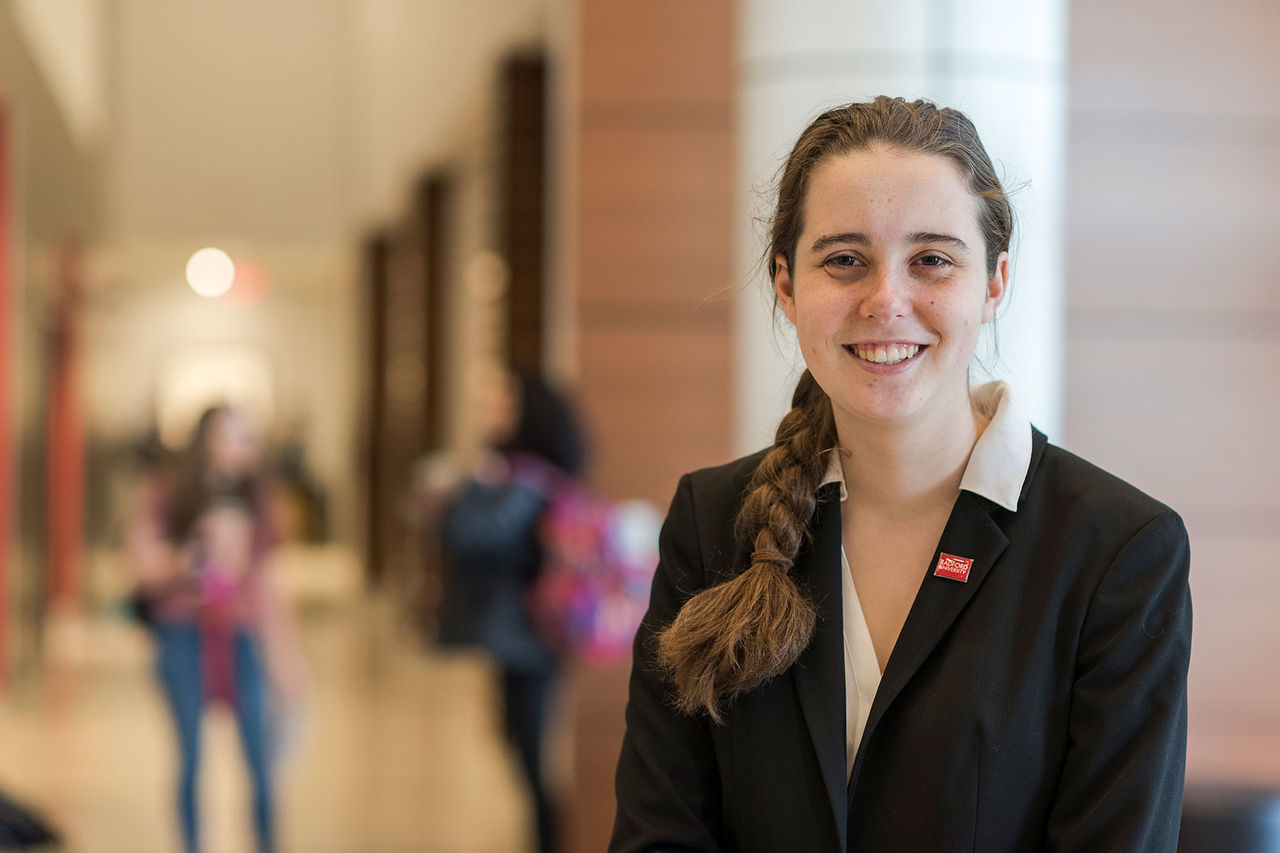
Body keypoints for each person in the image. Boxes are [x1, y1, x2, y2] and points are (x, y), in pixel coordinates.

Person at [610, 97, 1192, 852]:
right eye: (845, 259)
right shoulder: (711, 521)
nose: (886, 300)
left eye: (932, 260)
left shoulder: (1117, 552)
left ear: (994, 283)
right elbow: (661, 833)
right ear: (786, 286)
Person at [126, 405, 304, 853]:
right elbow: (141, 567)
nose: (245, 448)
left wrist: (286, 654)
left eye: (249, 438)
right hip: (182, 632)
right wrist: (189, 556)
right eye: (234, 436)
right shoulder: (167, 494)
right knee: (191, 757)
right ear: (206, 441)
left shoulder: (259, 500)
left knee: (261, 761)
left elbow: (267, 581)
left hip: (241, 635)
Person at [434, 368, 587, 853]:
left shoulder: (523, 477)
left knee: (530, 754)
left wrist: (468, 488)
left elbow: (474, 535)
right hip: (528, 635)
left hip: (530, 638)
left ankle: (548, 842)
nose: (489, 411)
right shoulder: (540, 473)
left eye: (500, 402)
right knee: (520, 746)